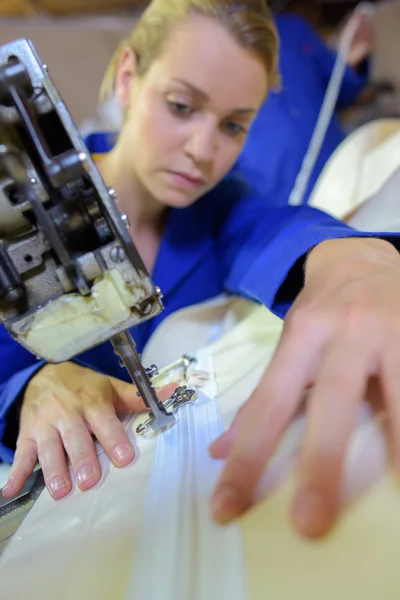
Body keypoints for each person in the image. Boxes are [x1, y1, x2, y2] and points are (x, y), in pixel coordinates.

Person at [1, 0, 400, 541]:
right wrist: (28, 388)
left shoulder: (219, 211)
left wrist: (355, 259)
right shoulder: (20, 218)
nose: (203, 150)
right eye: (183, 105)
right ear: (127, 78)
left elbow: (275, 229)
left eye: (234, 125)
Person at [235, 9, 373, 206]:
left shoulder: (293, 29)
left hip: (346, 177)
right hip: (279, 207)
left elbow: (340, 90)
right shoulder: (212, 50)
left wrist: (350, 57)